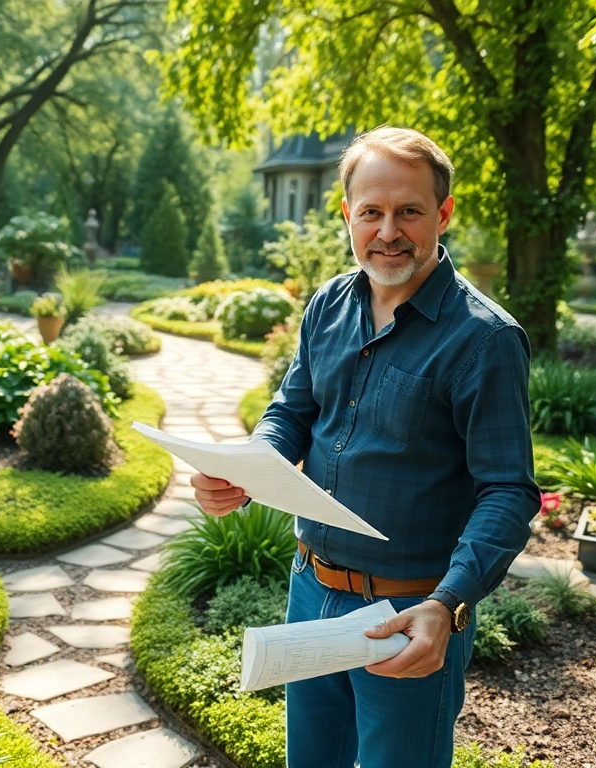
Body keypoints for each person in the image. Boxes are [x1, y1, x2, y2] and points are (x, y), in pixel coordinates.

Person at [192, 126, 539, 768]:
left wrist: (447, 604)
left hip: (409, 610)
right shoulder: (328, 303)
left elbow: (508, 490)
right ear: (348, 213)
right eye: (371, 212)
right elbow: (292, 410)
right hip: (309, 587)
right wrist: (245, 467)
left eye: (408, 211)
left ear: (443, 213)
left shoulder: (484, 339)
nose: (387, 231)